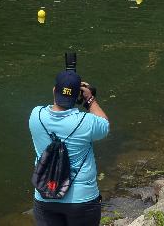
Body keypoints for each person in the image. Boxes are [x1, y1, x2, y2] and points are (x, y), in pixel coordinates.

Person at [28, 70, 109, 226]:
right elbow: (104, 125)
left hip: (45, 194)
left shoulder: (35, 115)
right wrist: (90, 99)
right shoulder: (87, 122)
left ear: (54, 90)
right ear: (78, 95)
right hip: (82, 200)